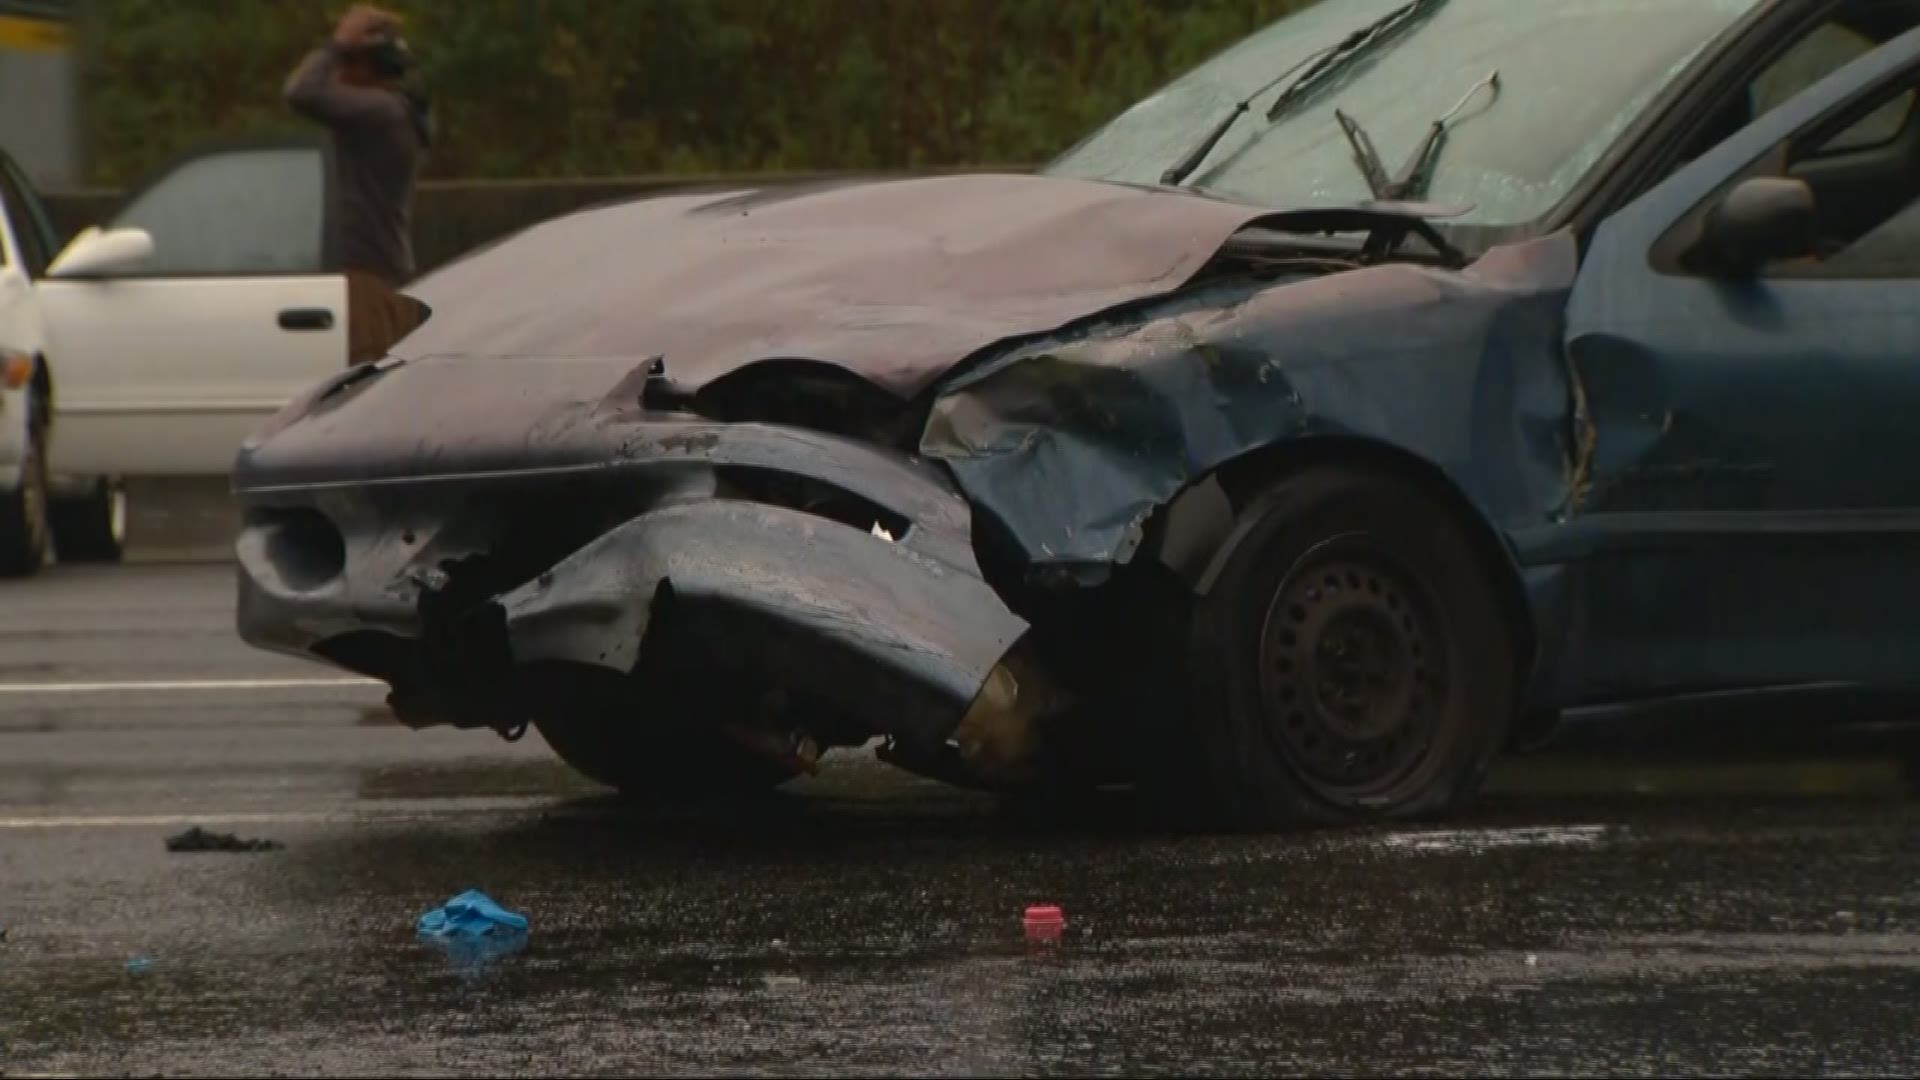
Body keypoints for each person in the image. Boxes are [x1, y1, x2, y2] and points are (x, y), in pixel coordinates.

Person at [284, 4, 433, 364]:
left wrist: (337, 44)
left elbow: (301, 92)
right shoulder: (397, 111)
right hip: (385, 275)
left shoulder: (379, 113)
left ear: (366, 68)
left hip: (369, 282)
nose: (337, 73)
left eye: (346, 63)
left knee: (367, 389)